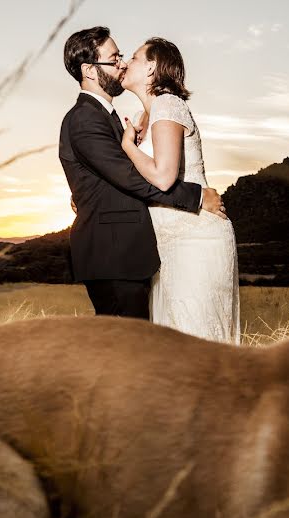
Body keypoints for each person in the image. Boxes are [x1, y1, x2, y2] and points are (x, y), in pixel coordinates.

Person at [59, 27, 224, 319]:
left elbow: (111, 175)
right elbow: (130, 178)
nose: (122, 63)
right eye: (114, 59)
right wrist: (196, 197)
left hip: (129, 253)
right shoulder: (85, 118)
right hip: (114, 255)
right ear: (90, 70)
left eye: (123, 57)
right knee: (126, 354)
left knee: (136, 351)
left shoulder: (110, 118)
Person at [120, 37, 240, 344]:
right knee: (172, 346)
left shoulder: (167, 104)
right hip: (164, 244)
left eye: (133, 58)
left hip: (195, 239)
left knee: (197, 343)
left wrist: (128, 149)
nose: (124, 62)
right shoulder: (140, 119)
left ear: (151, 67)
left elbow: (163, 177)